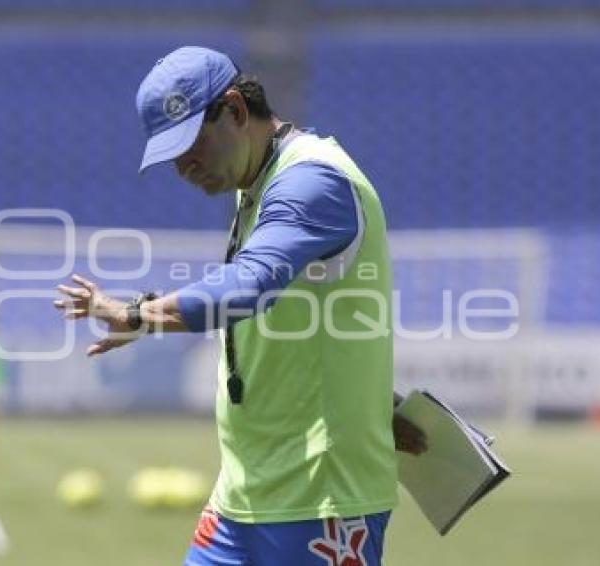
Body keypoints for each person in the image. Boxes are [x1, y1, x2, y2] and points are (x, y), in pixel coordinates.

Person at [54, 46, 424, 566]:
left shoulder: (311, 182)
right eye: (169, 154)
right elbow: (304, 318)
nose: (183, 166)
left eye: (189, 143)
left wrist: (139, 314)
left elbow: (248, 287)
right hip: (246, 496)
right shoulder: (260, 182)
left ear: (234, 109)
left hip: (321, 502)